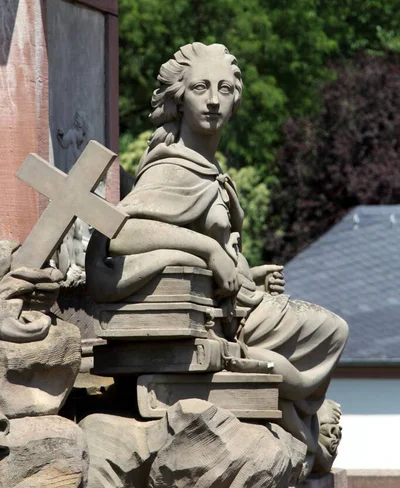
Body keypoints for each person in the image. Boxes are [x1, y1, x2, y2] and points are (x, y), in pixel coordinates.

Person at [86, 42, 348, 474]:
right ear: (178, 98)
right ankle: (301, 424)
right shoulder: (173, 168)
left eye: (224, 89)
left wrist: (248, 272)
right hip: (211, 314)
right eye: (201, 88)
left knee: (328, 332)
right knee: (327, 333)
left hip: (231, 302)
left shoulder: (207, 167)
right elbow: (122, 231)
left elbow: (221, 248)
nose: (212, 100)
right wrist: (208, 251)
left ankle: (300, 427)